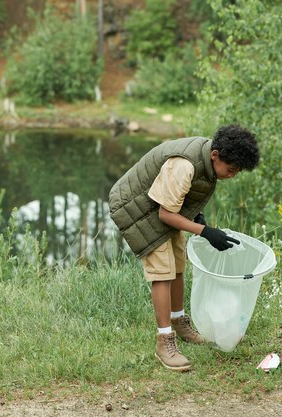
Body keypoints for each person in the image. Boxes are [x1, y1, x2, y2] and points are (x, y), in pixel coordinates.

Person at [108, 124, 260, 371]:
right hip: (135, 207)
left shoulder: (207, 157)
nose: (233, 175)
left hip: (159, 207)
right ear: (215, 155)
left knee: (178, 264)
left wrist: (195, 216)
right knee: (162, 272)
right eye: (231, 170)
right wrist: (205, 231)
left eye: (238, 172)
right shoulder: (184, 165)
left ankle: (179, 322)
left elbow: (181, 196)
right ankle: (164, 341)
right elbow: (166, 213)